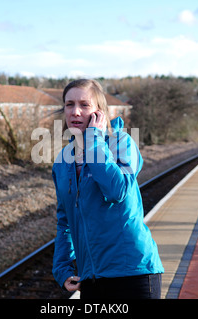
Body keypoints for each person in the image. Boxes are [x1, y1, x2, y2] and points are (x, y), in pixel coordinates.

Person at [52, 79, 164, 299]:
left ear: (98, 113)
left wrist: (93, 139)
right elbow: (65, 220)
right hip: (92, 278)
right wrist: (62, 269)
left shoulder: (120, 143)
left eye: (84, 105)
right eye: (69, 104)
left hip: (133, 272)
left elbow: (116, 190)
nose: (75, 111)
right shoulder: (62, 161)